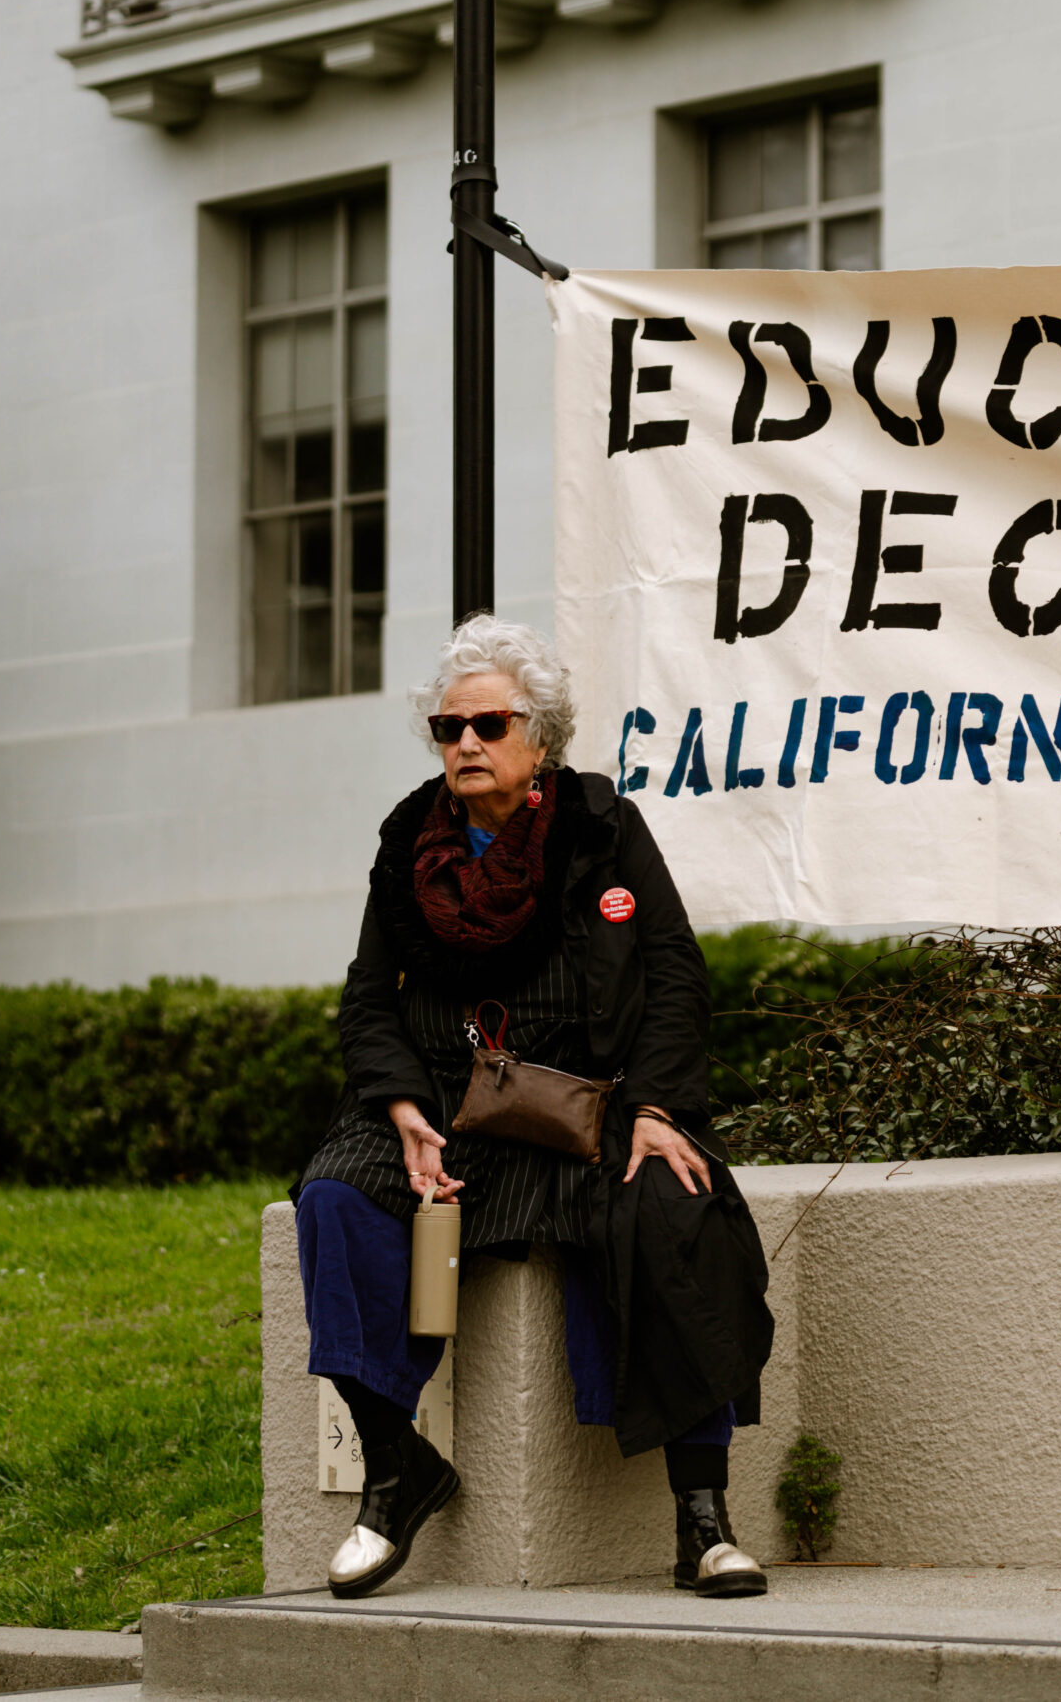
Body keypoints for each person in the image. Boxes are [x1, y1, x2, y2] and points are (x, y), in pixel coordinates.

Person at [292, 614, 775, 1599]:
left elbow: (674, 977)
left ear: (540, 738)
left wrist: (658, 1110)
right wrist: (394, 1106)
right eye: (448, 727)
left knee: (676, 1206)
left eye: (490, 724)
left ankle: (704, 1519)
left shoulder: (602, 829)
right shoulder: (407, 841)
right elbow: (364, 998)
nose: (465, 743)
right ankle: (395, 1473)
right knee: (334, 1202)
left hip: (588, 1114)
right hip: (441, 1115)